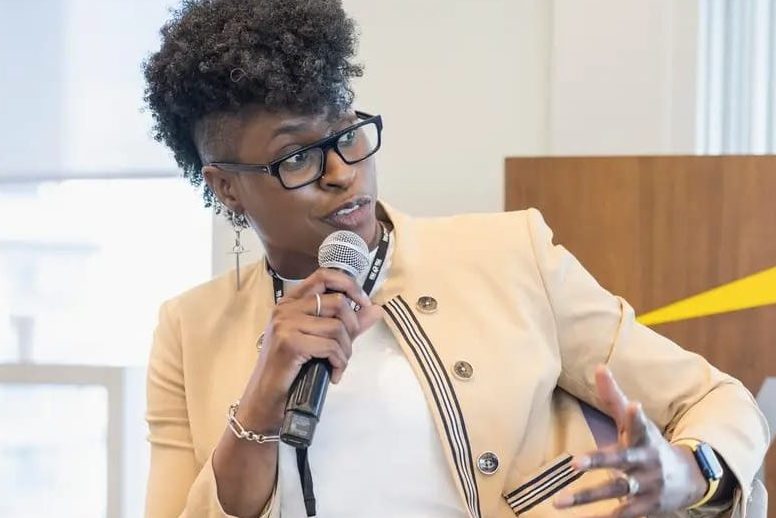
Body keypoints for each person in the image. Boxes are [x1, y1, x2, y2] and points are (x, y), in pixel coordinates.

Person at [141, 1, 769, 517]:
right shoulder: (188, 331)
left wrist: (691, 474)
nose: (342, 173)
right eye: (298, 158)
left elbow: (718, 399)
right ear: (226, 185)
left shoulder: (509, 256)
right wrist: (261, 398)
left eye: (346, 132)